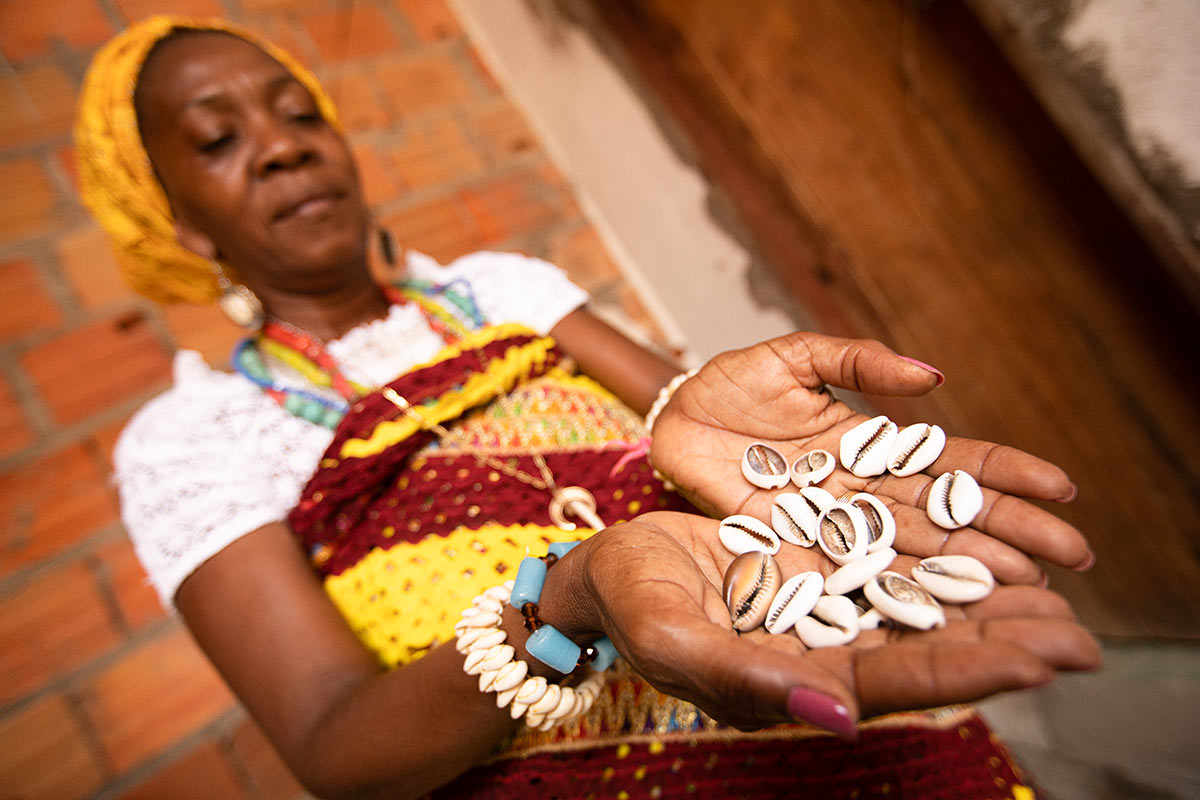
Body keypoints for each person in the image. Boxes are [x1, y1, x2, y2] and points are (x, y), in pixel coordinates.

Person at [77, 16, 1099, 799]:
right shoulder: (192, 439)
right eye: (217, 139)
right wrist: (566, 600)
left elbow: (690, 427)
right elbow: (337, 745)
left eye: (300, 113)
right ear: (174, 222)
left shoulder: (507, 291)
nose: (283, 147)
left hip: (815, 683)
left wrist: (736, 428)